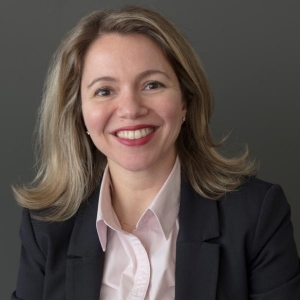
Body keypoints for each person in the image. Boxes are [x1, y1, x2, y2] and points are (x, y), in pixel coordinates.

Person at [11, 5, 300, 300]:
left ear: (185, 101)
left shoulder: (255, 215)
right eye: (104, 91)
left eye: (152, 84)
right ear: (79, 113)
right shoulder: (46, 227)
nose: (131, 109)